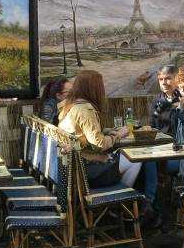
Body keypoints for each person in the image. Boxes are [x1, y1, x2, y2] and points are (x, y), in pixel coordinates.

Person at [58, 70, 156, 215]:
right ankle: (116, 203)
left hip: (74, 170)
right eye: (100, 86)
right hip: (88, 173)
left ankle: (117, 203)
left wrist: (110, 130)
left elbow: (84, 134)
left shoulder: (69, 106)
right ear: (93, 88)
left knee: (127, 157)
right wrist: (118, 134)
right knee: (135, 159)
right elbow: (99, 144)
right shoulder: (85, 109)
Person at [150, 65, 179, 134]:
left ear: (177, 79)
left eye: (168, 78)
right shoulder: (157, 99)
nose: (163, 83)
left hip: (180, 142)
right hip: (161, 141)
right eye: (160, 79)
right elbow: (152, 124)